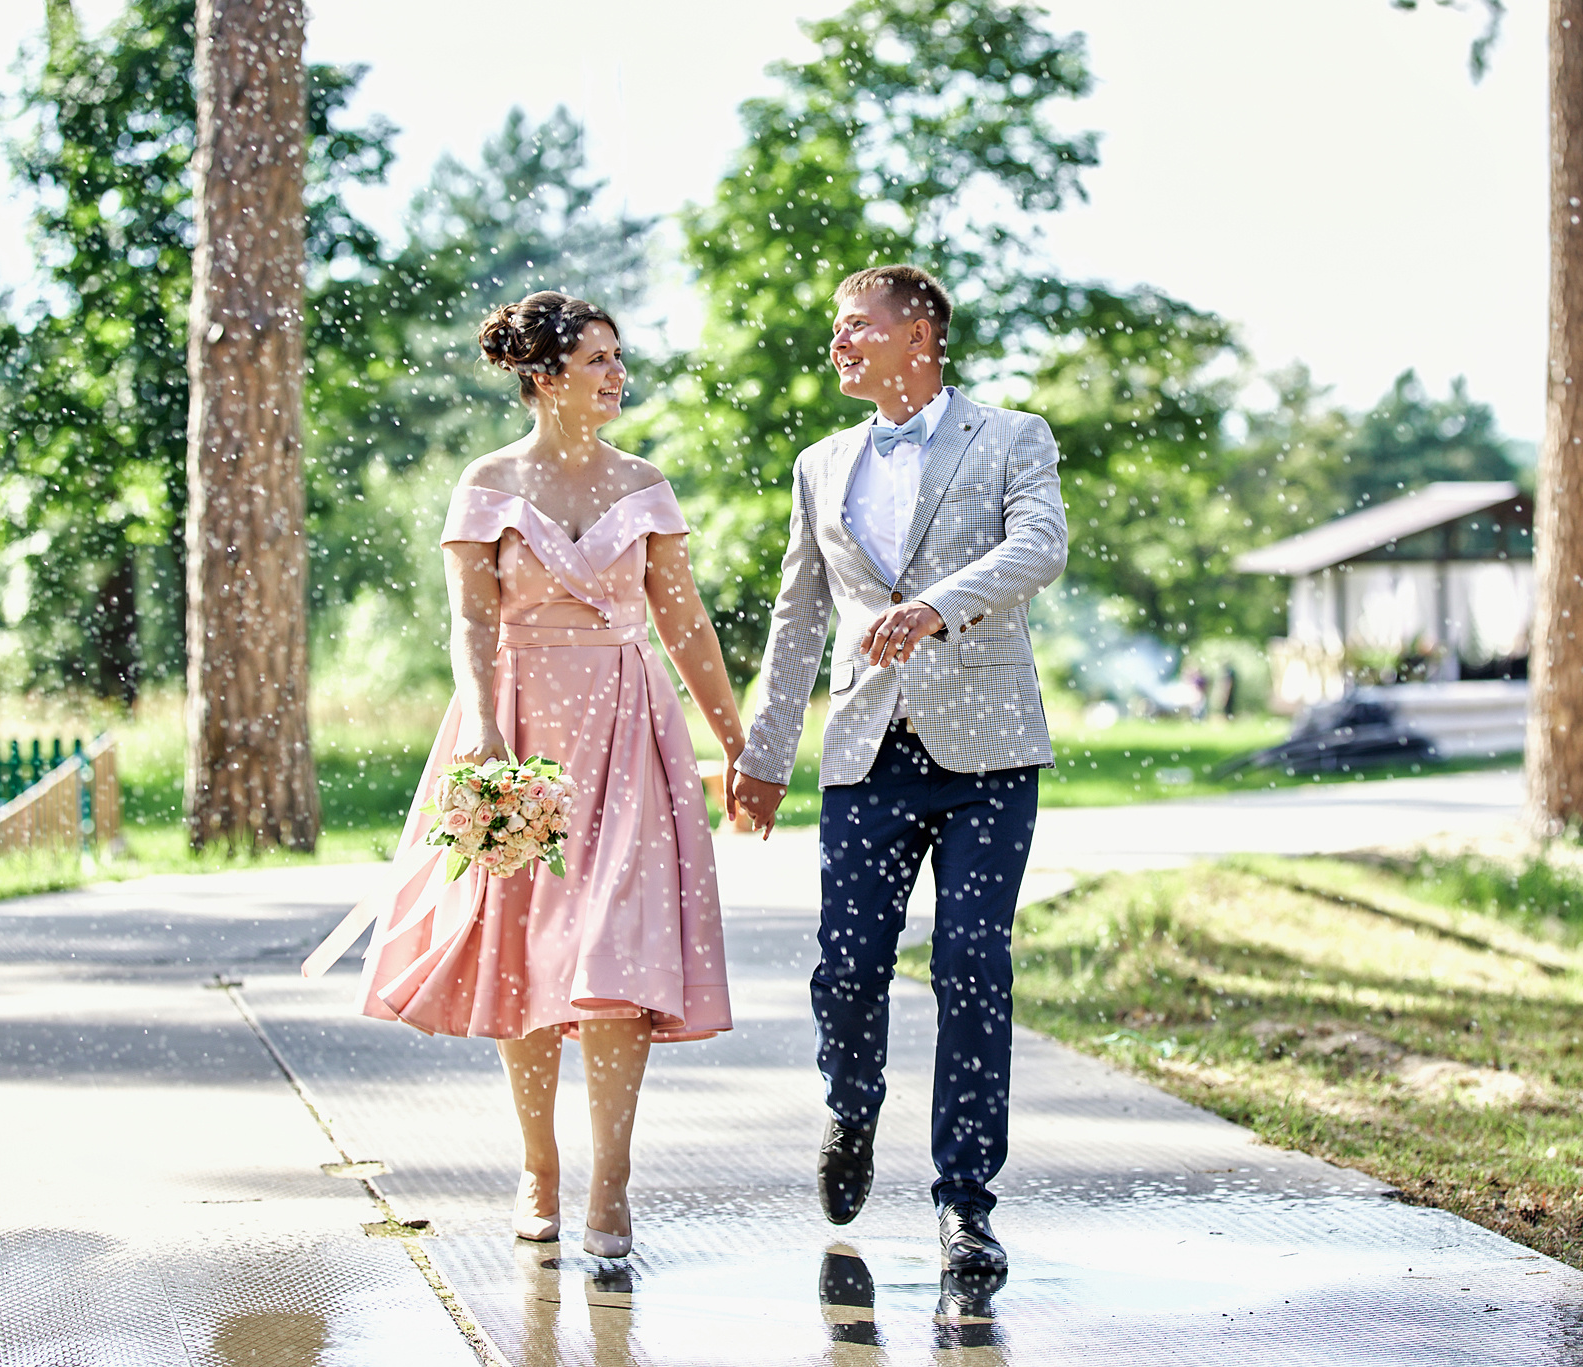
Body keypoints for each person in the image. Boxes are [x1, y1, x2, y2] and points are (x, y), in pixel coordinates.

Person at [326, 291, 741, 1262]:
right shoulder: (487, 483)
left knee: (618, 954)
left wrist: (732, 742)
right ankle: (537, 1165)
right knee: (525, 951)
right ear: (544, 375)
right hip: (513, 726)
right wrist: (479, 722)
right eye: (596, 359)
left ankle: (611, 1180)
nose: (615, 376)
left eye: (616, 357)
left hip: (631, 734)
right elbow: (471, 622)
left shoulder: (644, 485)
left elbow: (683, 624)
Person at [730, 265, 1068, 1271]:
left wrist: (935, 606)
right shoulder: (819, 461)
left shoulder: (1010, 437)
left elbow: (1039, 546)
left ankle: (965, 1198)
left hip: (989, 756)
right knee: (844, 967)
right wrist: (761, 750)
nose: (837, 343)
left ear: (917, 332)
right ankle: (850, 1104)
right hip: (865, 753)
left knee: (972, 964)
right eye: (834, 328)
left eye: (854, 326)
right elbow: (797, 616)